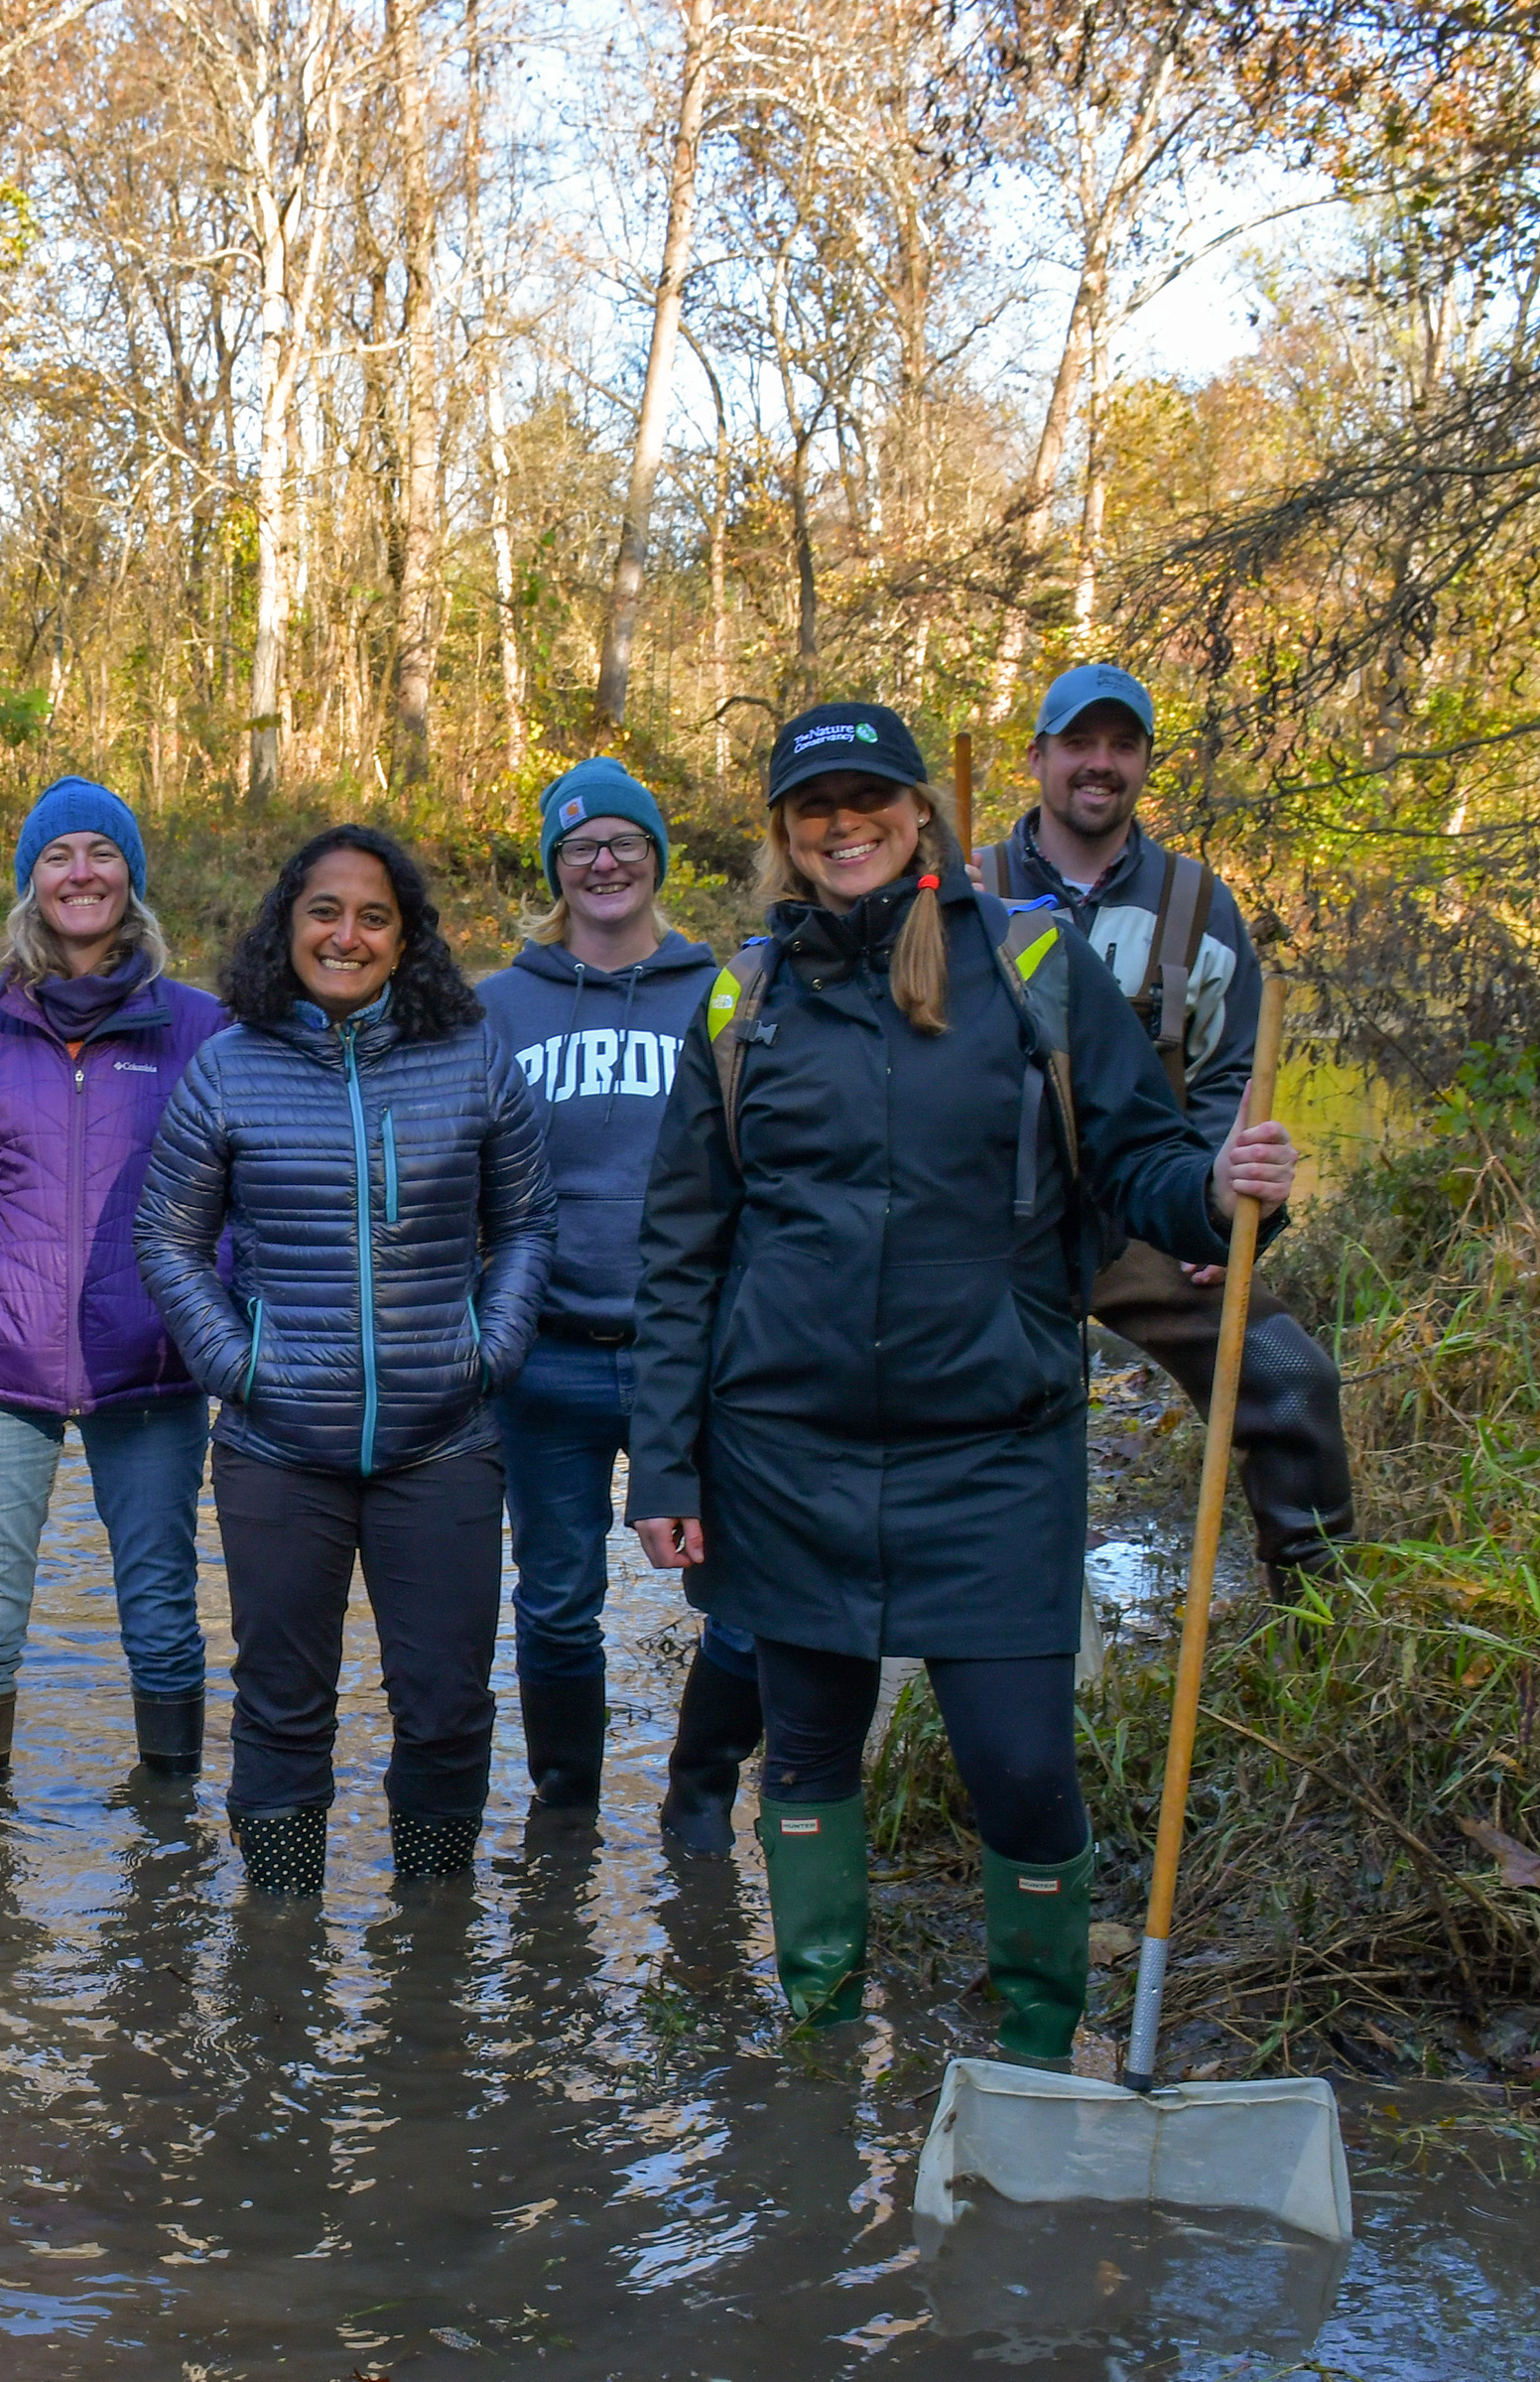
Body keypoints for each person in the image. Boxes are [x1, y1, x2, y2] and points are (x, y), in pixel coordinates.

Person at [625, 704, 1298, 2065]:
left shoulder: (1034, 965)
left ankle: (1042, 2047)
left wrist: (1223, 1194)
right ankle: (816, 2042)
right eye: (816, 807)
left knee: (1021, 1767)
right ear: (783, 834)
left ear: (921, 814)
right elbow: (680, 1252)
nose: (845, 824)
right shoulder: (737, 1000)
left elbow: (1139, 1161)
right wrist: (669, 1465)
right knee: (807, 1757)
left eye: (871, 797)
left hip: (994, 1454)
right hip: (785, 1456)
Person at [136, 825, 555, 1897]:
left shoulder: (470, 1056)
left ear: (406, 936)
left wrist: (490, 1346)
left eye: (375, 915)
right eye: (325, 911)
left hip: (444, 1442)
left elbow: (525, 1225)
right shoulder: (229, 1065)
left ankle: (433, 1923)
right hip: (280, 1445)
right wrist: (240, 1364)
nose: (347, 934)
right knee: (281, 1699)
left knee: (448, 1702)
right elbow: (169, 1240)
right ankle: (279, 1931)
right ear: (288, 924)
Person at [974, 663, 1354, 1597]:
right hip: (990, 1225)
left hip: (1145, 1218)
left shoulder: (1196, 904)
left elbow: (1231, 1076)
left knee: (1290, 1377)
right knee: (984, 1425)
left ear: (1144, 763)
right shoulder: (963, 885)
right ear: (1038, 758)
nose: (1100, 764)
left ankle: (1320, 1620)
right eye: (1079, 744)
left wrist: (1215, 1212)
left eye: (1122, 746)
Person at [471, 757, 766, 1846]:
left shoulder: (724, 994)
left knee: (741, 1598)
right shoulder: (498, 1005)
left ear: (656, 859)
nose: (605, 862)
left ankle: (701, 1798)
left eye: (625, 843)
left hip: (697, 1357)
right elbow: (461, 1171)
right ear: (557, 865)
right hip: (545, 1358)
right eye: (582, 845)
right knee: (555, 1602)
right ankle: (567, 1809)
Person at [0, 777, 229, 1781]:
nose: (80, 872)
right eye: (58, 857)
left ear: (130, 881)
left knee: (160, 1607)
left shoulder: (200, 1028)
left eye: (101, 854)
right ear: (31, 885)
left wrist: (202, 1314)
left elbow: (237, 1199)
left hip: (150, 1361)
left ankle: (170, 1832)